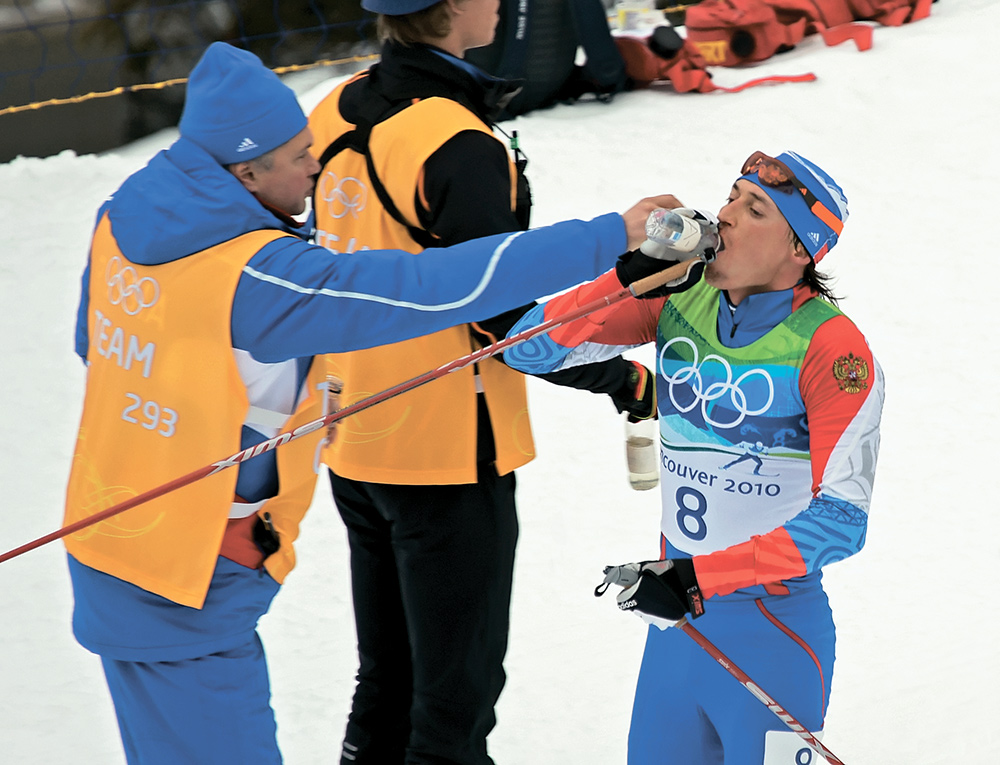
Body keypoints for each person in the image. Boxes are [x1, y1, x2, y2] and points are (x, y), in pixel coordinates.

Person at [61, 40, 684, 765]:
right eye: (299, 156)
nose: (317, 166)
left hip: (110, 543)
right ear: (245, 171)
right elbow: (436, 287)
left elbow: (98, 350)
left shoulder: (121, 220)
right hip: (187, 577)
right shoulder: (257, 275)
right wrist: (614, 235)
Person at [307, 2, 657, 763]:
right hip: (445, 454)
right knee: (453, 703)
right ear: (456, 7)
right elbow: (506, 323)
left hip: (353, 432)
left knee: (387, 678)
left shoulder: (334, 106)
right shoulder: (459, 144)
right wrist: (619, 375)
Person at [504, 151, 885, 764]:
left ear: (799, 251)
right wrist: (626, 278)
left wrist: (697, 578)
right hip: (677, 630)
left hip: (771, 634)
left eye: (754, 208)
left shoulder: (832, 346)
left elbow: (842, 519)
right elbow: (527, 351)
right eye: (731, 196)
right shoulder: (679, 301)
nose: (726, 215)